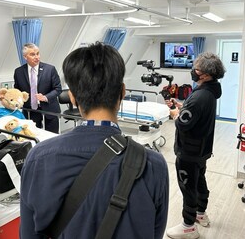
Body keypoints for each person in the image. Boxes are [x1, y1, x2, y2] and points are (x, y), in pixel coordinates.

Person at [20, 42, 169, 239]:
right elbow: (154, 233)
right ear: (122, 92)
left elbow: (29, 235)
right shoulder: (153, 165)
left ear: (72, 97)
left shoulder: (39, 157)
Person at [166, 52, 225, 239]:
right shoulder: (209, 92)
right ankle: (200, 213)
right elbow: (194, 113)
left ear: (206, 75)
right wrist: (183, 106)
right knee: (199, 180)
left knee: (188, 186)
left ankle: (188, 226)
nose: (193, 71)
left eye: (196, 69)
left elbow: (182, 123)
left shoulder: (200, 97)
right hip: (201, 149)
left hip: (189, 152)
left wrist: (176, 112)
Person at [14, 43, 62, 133]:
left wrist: (45, 97)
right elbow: (17, 91)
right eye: (32, 54)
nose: (37, 57)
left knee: (52, 137)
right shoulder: (18, 72)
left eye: (38, 53)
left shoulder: (50, 69)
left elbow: (58, 88)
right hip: (31, 110)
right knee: (34, 135)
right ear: (25, 57)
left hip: (50, 108)